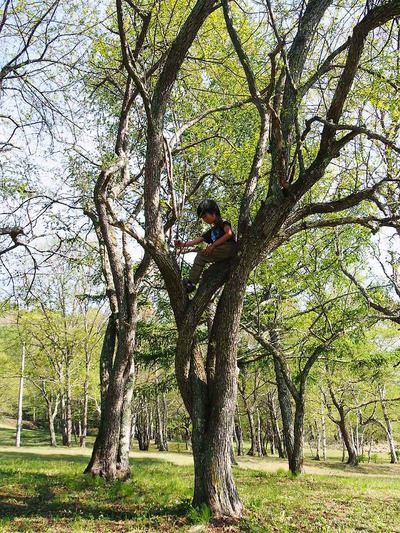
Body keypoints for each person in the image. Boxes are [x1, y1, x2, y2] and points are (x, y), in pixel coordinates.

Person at [175, 199, 237, 293]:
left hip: (229, 248)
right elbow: (198, 240)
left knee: (200, 256)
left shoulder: (222, 222)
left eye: (205, 216)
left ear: (213, 213)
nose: (204, 220)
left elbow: (228, 234)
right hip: (222, 252)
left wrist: (212, 246)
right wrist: (182, 245)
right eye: (202, 218)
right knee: (206, 265)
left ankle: (191, 283)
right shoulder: (211, 231)